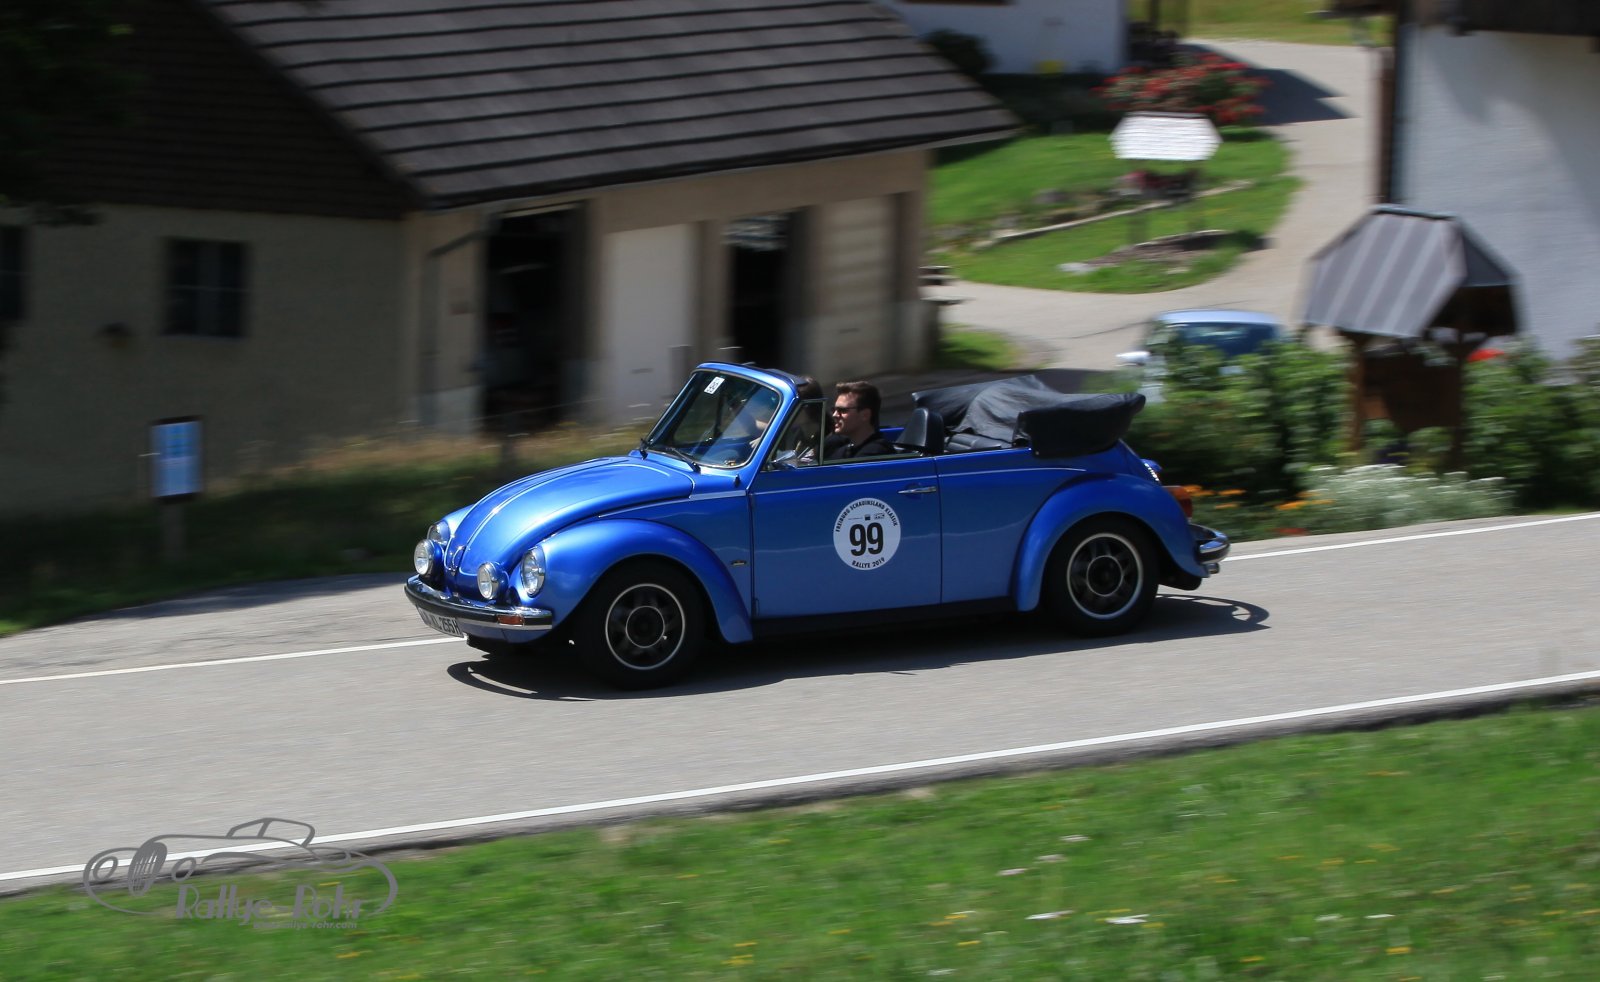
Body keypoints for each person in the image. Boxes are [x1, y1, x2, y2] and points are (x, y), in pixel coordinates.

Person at [825, 380, 895, 459]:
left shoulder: (876, 453)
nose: (834, 415)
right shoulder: (846, 450)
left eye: (842, 410)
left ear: (865, 415)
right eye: (834, 410)